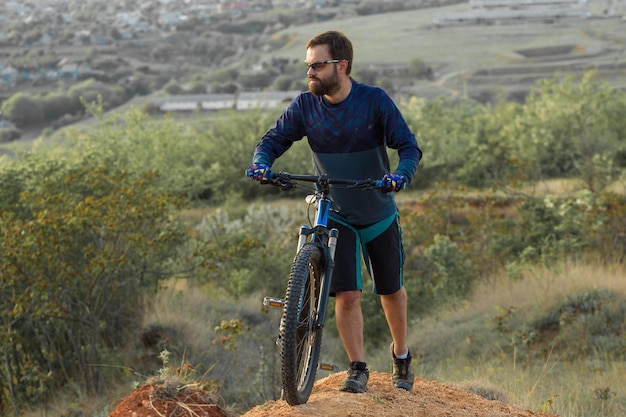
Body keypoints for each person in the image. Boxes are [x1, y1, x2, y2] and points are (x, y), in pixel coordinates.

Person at [246, 30, 422, 394]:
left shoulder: (374, 101)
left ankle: (401, 355)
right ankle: (358, 367)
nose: (310, 72)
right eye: (307, 65)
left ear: (341, 66)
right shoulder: (305, 106)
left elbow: (408, 146)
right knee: (347, 295)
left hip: (377, 211)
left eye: (317, 65)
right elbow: (272, 140)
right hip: (335, 211)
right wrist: (262, 163)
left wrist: (400, 176)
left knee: (390, 290)